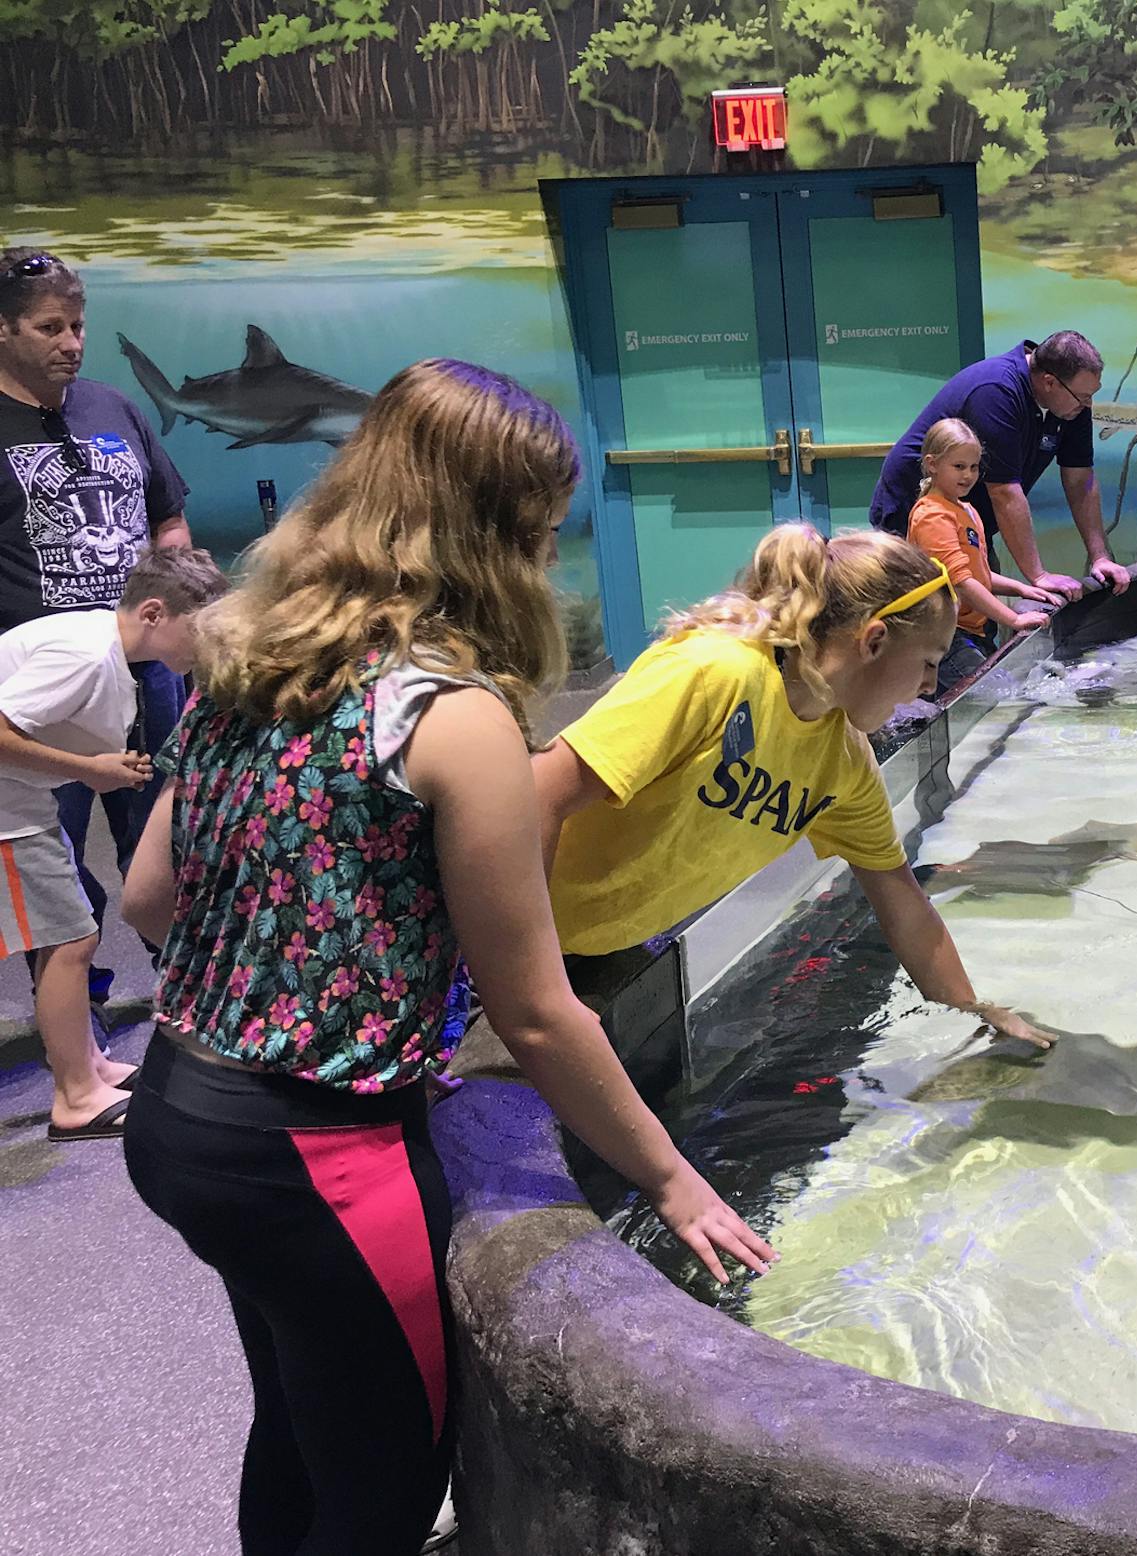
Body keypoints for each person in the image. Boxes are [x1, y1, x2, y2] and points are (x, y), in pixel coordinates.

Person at [118, 359, 774, 1556]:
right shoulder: (450, 714)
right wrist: (673, 1178)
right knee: (383, 1483)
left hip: (174, 1111)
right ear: (502, 531)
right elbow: (533, 1011)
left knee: (296, 1427)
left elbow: (153, 896)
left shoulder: (247, 654)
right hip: (316, 1157)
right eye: (541, 529)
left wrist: (304, 994)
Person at [532, 523, 1051, 1049]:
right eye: (929, 662)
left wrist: (976, 1014)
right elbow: (536, 796)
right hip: (489, 937)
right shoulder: (717, 672)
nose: (930, 686)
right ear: (874, 640)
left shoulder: (844, 760)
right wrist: (531, 978)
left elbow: (904, 905)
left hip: (590, 946)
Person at [0, 247, 193, 999]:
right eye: (50, 327)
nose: (71, 341)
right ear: (5, 330)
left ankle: (189, 996)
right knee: (55, 855)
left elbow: (168, 517)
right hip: (46, 690)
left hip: (144, 671)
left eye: (77, 325)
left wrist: (186, 606)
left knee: (168, 837)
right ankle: (80, 1019)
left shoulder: (114, 407)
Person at [0, 546, 225, 1139]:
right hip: (7, 813)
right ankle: (75, 1096)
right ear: (154, 612)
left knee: (73, 932)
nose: (204, 648)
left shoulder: (99, 645)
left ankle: (91, 1067)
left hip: (22, 804)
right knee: (68, 939)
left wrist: (95, 765)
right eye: (198, 632)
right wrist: (87, 768)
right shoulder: (86, 654)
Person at [867, 330, 1132, 604]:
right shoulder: (996, 391)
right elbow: (1004, 492)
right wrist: (1038, 576)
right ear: (1049, 382)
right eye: (1082, 396)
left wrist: (1100, 557)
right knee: (926, 611)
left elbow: (1080, 478)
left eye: (1091, 395)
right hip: (915, 510)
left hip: (969, 516)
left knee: (977, 615)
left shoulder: (1071, 404)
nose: (1087, 404)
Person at [907, 418, 1058, 693]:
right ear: (932, 464)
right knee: (994, 697)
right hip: (945, 635)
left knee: (1005, 692)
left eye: (974, 467)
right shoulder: (931, 516)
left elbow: (980, 574)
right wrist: (1013, 619)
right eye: (958, 466)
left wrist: (1023, 589)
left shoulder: (968, 510)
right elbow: (961, 582)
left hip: (973, 629)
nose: (968, 475)